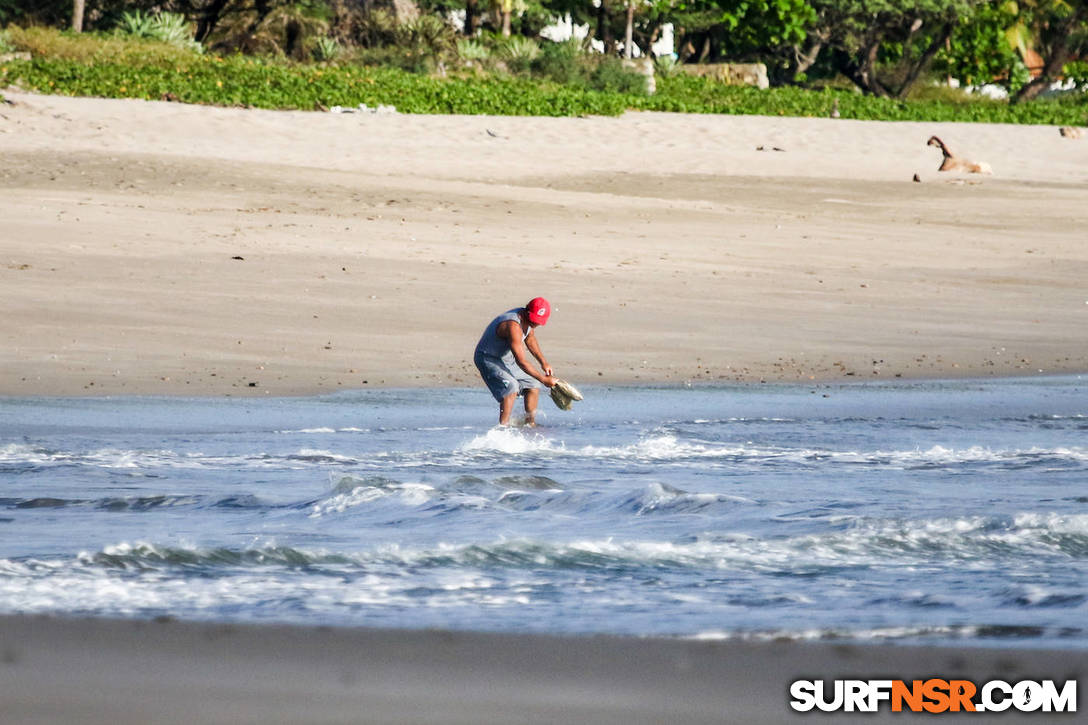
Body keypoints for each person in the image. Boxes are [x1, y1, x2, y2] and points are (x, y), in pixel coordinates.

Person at [474, 297, 558, 426]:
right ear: (526, 311)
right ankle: (503, 427)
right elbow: (522, 362)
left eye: (538, 321)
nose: (535, 323)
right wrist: (544, 379)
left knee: (533, 383)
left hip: (506, 358)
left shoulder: (528, 320)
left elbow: (530, 339)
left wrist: (543, 362)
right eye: (534, 320)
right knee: (511, 387)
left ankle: (530, 424)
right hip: (487, 358)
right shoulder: (513, 326)